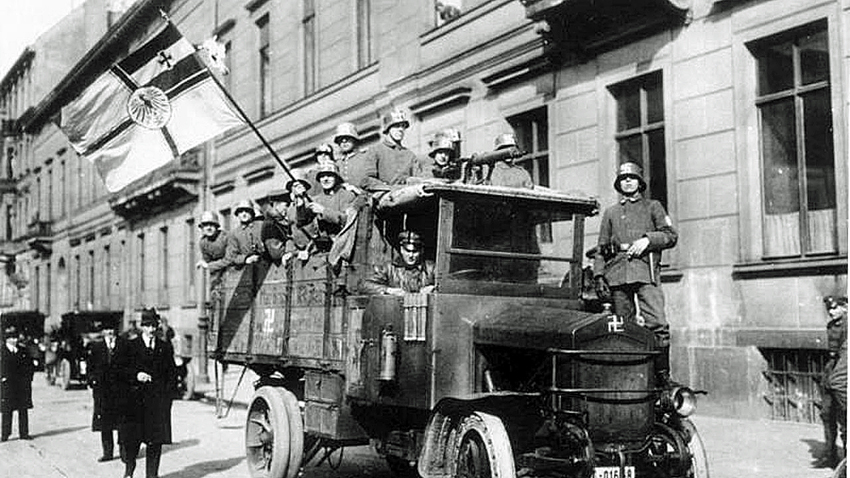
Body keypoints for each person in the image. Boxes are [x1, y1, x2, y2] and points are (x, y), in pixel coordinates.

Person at [592, 162, 678, 387]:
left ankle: (662, 375)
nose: (627, 181)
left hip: (644, 269)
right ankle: (629, 375)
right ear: (618, 184)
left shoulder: (653, 207)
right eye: (623, 179)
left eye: (632, 178)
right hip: (617, 273)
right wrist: (599, 275)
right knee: (623, 326)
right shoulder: (611, 212)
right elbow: (601, 247)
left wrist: (648, 240)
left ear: (640, 182)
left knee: (657, 322)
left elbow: (670, 235)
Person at [117, 309, 177, 478]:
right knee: (131, 442)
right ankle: (129, 471)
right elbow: (119, 370)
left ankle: (152, 475)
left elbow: (172, 374)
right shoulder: (130, 346)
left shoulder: (164, 347)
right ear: (142, 327)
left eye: (154, 326)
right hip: (134, 403)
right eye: (148, 326)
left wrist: (167, 400)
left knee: (155, 442)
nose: (151, 330)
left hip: (156, 404)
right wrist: (136, 375)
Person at [87, 320, 125, 462]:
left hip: (120, 390)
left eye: (112, 329)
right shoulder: (96, 346)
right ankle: (107, 452)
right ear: (103, 331)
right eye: (107, 329)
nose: (110, 332)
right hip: (102, 391)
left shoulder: (123, 345)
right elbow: (90, 367)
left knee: (122, 422)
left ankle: (124, 452)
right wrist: (92, 381)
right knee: (105, 423)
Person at [357, 109, 419, 192]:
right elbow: (367, 180)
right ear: (388, 128)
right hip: (384, 197)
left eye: (403, 126)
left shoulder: (410, 155)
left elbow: (418, 179)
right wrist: (389, 188)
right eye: (396, 126)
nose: (401, 129)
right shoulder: (375, 150)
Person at [818, 295, 848, 468]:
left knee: (845, 418)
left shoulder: (848, 324)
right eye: (828, 309)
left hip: (843, 371)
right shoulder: (831, 325)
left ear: (844, 307)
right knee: (827, 414)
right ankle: (830, 455)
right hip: (832, 368)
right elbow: (832, 352)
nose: (831, 312)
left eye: (834, 308)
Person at [360, 231, 436, 296]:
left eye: (414, 252)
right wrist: (389, 290)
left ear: (421, 251)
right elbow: (365, 285)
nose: (411, 255)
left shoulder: (431, 268)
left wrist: (433, 289)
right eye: (408, 251)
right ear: (402, 250)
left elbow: (445, 285)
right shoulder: (389, 268)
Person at [1, 325, 33, 441]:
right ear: (6, 339)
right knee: (7, 410)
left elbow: (30, 366)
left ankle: (24, 433)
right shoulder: (2, 351)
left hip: (21, 385)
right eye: (12, 338)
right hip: (7, 385)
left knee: (23, 409)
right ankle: (5, 434)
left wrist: (29, 379)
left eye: (16, 338)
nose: (15, 340)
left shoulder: (23, 350)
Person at [225, 199, 264, 268]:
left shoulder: (262, 225)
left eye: (247, 211)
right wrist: (246, 259)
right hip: (247, 269)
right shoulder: (234, 233)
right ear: (237, 215)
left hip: (267, 265)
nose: (244, 214)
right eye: (240, 212)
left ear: (252, 213)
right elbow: (232, 256)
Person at [196, 211, 229, 291]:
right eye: (206, 225)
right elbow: (209, 263)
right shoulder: (203, 242)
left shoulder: (226, 237)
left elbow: (229, 260)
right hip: (218, 274)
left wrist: (208, 266)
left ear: (217, 226)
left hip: (232, 270)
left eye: (212, 225)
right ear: (202, 228)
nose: (209, 228)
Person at [333, 122, 369, 194]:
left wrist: (359, 191)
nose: (344, 141)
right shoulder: (338, 164)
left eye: (347, 138)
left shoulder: (366, 157)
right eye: (340, 139)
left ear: (354, 139)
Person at [258, 189, 292, 263]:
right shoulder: (269, 224)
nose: (288, 208)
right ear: (276, 204)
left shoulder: (282, 221)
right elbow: (276, 253)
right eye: (287, 205)